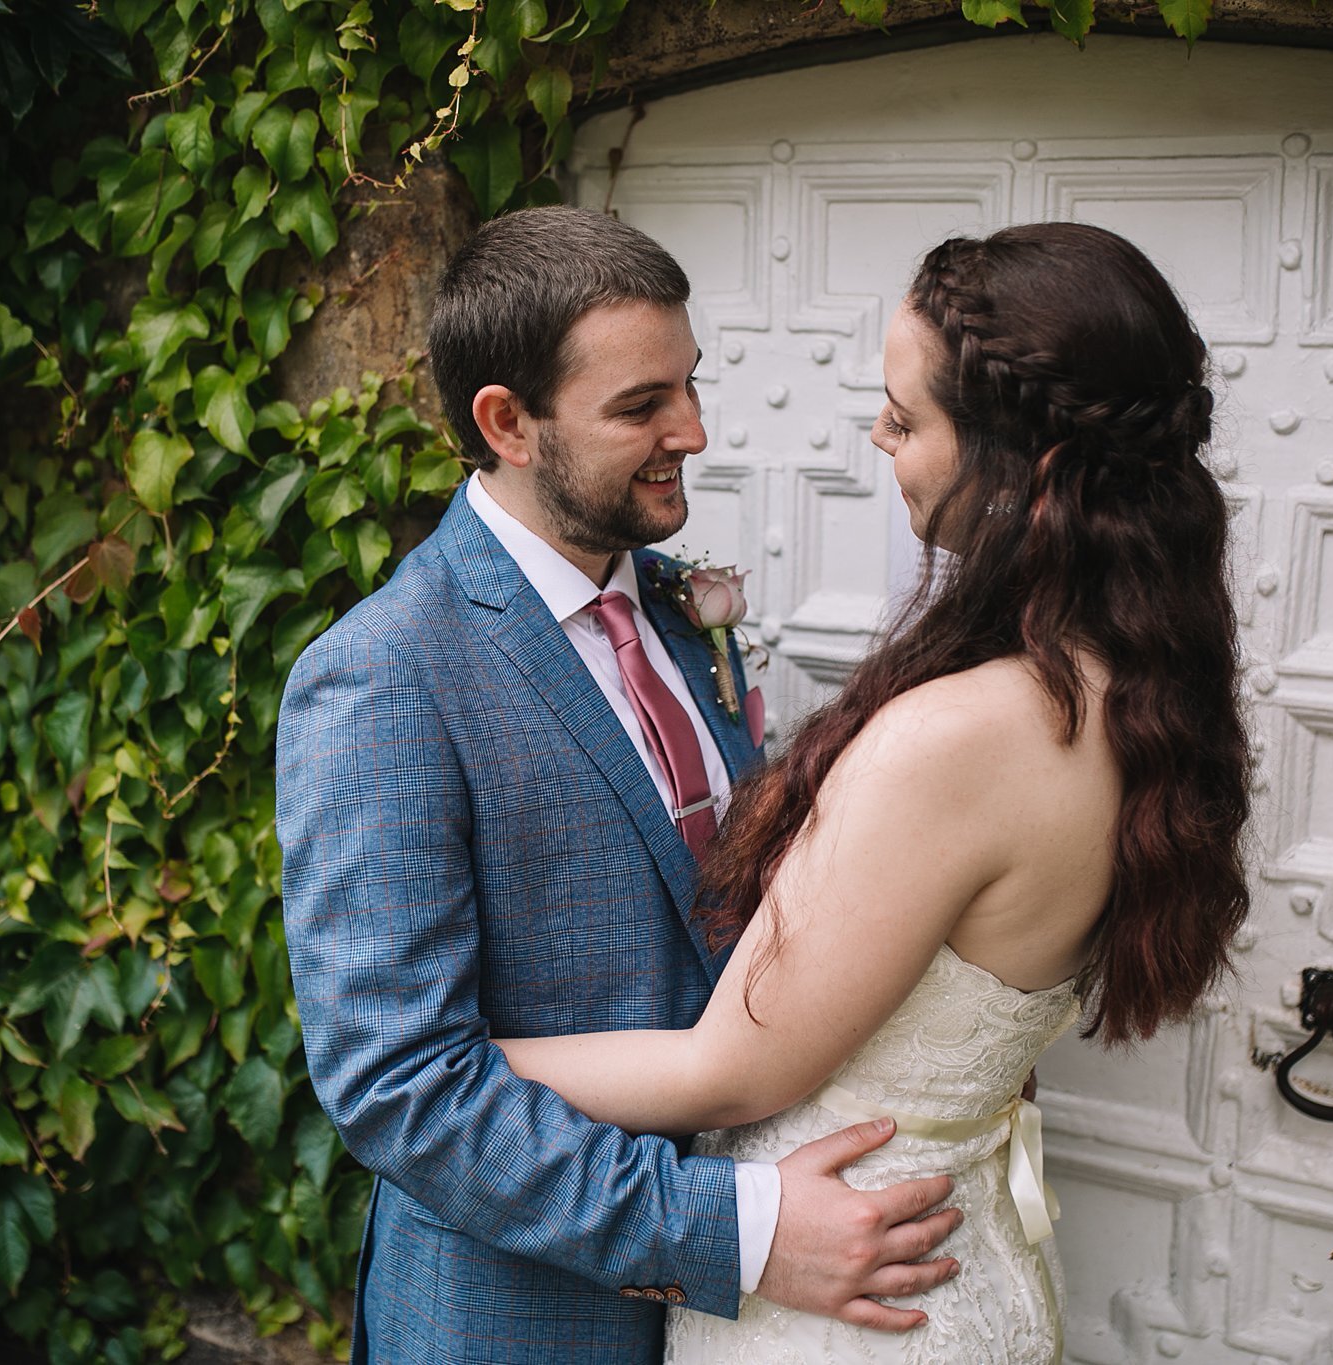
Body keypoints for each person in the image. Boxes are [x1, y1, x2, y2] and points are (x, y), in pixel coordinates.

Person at [494, 221, 1253, 1364]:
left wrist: (450, 1064)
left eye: (904, 419)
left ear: (1025, 464)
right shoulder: (1132, 690)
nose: (876, 436)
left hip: (840, 1306)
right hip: (956, 1258)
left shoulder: (962, 735)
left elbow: (731, 1067)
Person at [275, 205, 966, 1365]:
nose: (691, 432)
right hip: (519, 1320)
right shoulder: (383, 674)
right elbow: (397, 1086)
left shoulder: (670, 602)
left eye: (688, 385)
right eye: (640, 406)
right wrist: (736, 1234)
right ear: (508, 423)